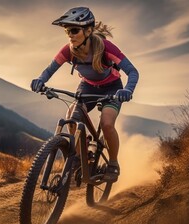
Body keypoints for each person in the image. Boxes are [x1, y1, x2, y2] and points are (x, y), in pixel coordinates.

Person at [30, 6, 139, 182]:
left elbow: (132, 71)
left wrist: (127, 90)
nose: (70, 35)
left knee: (107, 123)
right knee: (72, 118)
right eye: (67, 31)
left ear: (88, 31)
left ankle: (113, 163)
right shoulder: (68, 50)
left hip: (112, 88)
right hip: (87, 87)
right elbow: (50, 69)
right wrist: (40, 80)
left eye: (74, 30)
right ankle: (81, 159)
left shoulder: (105, 48)